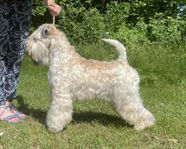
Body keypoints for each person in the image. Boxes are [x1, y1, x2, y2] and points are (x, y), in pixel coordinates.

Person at [0, 0, 61, 123]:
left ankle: (7, 102)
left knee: (16, 53)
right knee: (2, 50)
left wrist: (51, 2)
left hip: (22, 5)